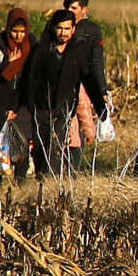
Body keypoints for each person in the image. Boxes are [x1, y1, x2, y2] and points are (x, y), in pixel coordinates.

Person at [17, 10, 105, 176]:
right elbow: (28, 80)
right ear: (53, 28)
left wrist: (100, 106)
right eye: (60, 28)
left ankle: (51, 183)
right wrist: (18, 105)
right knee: (40, 148)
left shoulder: (78, 51)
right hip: (40, 107)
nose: (63, 33)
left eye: (67, 29)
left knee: (56, 146)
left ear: (73, 30)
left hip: (63, 107)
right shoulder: (41, 51)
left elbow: (88, 79)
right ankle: (41, 178)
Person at [0, 8, 32, 177]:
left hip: (23, 103)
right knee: (1, 144)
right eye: (15, 32)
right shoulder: (0, 49)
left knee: (22, 145)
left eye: (22, 32)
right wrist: (7, 65)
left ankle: (20, 183)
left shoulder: (31, 50)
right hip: (2, 101)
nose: (18, 36)